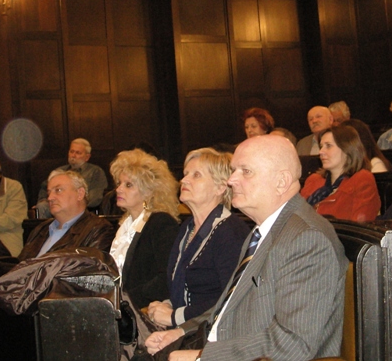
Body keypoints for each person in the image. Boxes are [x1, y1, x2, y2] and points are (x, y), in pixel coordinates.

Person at [145, 135, 348, 360]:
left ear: (281, 181)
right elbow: (230, 307)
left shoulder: (306, 239)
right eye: (234, 170)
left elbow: (293, 343)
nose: (231, 180)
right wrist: (181, 332)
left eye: (246, 171)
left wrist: (201, 357)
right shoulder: (262, 230)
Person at [146, 148, 249, 328]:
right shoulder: (187, 227)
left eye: (196, 175)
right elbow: (185, 287)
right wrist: (167, 305)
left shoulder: (230, 232)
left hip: (213, 332)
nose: (184, 180)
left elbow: (232, 300)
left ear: (220, 187)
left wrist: (175, 316)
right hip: (186, 328)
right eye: (186, 174)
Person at [109, 149, 180, 310]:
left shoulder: (161, 223)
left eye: (128, 185)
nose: (119, 189)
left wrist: (124, 300)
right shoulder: (125, 226)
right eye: (119, 183)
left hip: (143, 310)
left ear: (148, 192)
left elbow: (166, 278)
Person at [19, 169, 115, 260]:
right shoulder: (40, 229)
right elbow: (20, 265)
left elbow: (88, 268)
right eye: (49, 192)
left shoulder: (98, 229)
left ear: (80, 194)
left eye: (58, 190)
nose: (50, 198)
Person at [300, 126, 380, 221]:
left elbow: (360, 224)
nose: (321, 152)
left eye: (328, 146)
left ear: (347, 148)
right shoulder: (313, 180)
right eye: (321, 147)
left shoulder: (361, 179)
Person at [35, 138, 108, 218]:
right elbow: (45, 187)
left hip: (81, 208)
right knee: (42, 206)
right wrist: (43, 200)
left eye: (78, 153)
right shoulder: (59, 171)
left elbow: (95, 198)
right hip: (59, 204)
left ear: (87, 157)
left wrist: (71, 203)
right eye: (71, 151)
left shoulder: (95, 172)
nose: (73, 155)